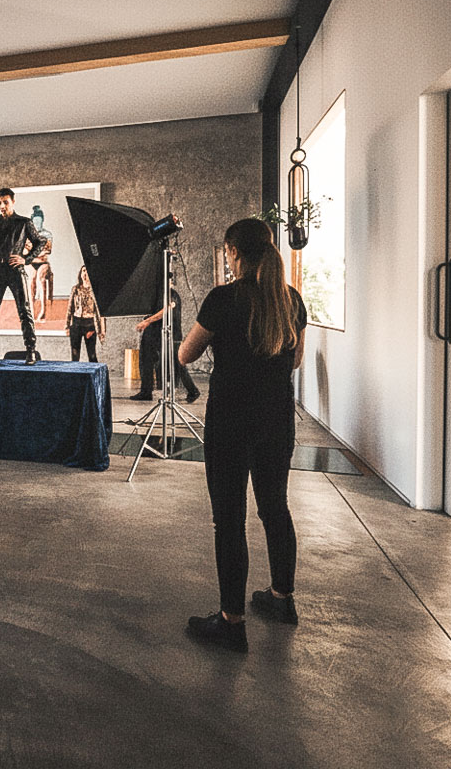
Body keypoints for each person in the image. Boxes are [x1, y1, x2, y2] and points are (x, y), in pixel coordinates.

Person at [178, 218, 307, 652]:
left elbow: (185, 353)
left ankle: (232, 622)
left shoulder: (223, 298)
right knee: (275, 507)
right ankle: (281, 600)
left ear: (233, 253)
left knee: (229, 518)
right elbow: (294, 361)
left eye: (228, 254)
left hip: (231, 421)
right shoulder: (291, 300)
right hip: (276, 419)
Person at [0, 188, 48, 365]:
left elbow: (41, 242)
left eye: (5, 202)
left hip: (16, 271)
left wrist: (26, 259)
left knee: (24, 311)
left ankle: (30, 351)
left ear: (13, 202)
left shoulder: (24, 222)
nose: (2, 206)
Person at [130, 275, 199, 403]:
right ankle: (146, 391)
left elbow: (166, 310)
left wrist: (147, 322)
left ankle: (193, 391)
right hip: (155, 333)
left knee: (177, 363)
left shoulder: (171, 295)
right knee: (146, 360)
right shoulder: (158, 294)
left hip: (171, 334)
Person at [65, 265, 106, 362]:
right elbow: (70, 308)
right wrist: (67, 325)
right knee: (75, 353)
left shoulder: (95, 290)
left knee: (92, 354)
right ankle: (74, 375)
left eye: (87, 272)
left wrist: (102, 330)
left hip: (90, 323)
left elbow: (101, 312)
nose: (85, 274)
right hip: (76, 322)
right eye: (83, 271)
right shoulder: (75, 289)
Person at [29, 206, 54, 321]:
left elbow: (47, 250)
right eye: (35, 221)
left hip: (43, 263)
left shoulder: (47, 234)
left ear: (42, 221)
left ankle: (43, 311)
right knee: (31, 281)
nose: (37, 223)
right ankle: (31, 311)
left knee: (41, 279)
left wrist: (34, 253)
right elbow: (25, 252)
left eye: (39, 220)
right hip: (32, 263)